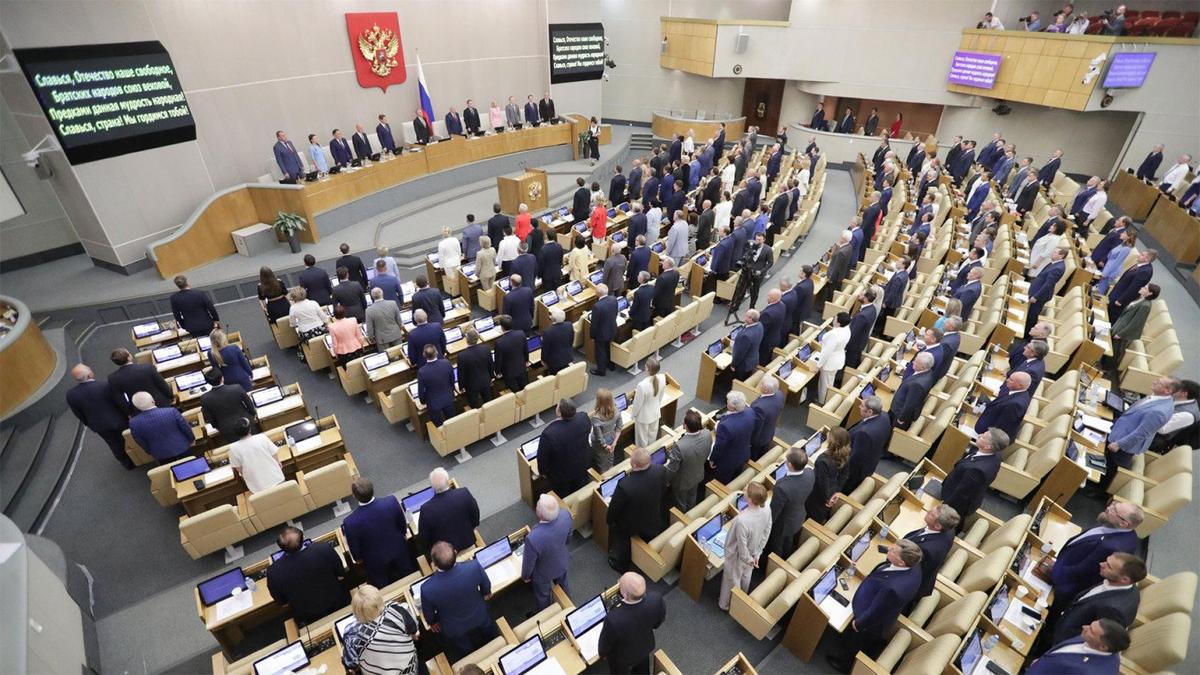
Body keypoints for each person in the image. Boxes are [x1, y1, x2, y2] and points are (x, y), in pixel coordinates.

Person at [827, 540, 924, 672]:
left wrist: (859, 624)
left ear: (901, 563)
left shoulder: (893, 588)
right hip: (876, 599)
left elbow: (877, 611)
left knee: (855, 643)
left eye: (893, 551)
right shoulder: (914, 566)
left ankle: (843, 664)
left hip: (870, 623)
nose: (889, 549)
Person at [1039, 553, 1144, 655]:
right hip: (1060, 623)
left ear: (1125, 579)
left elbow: (1095, 638)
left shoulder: (1115, 611)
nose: (1101, 564)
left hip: (1061, 642)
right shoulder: (1120, 582)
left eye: (1109, 566)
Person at [1048, 502, 1143, 600]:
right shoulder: (1124, 529)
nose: (1109, 508)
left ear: (1123, 523)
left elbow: (1082, 571)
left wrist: (1052, 571)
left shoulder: (1110, 547)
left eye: (1114, 510)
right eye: (1114, 504)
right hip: (1064, 564)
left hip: (1061, 584)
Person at [422, 541, 497, 659]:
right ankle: (493, 644)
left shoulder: (427, 588)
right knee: (488, 631)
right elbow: (486, 586)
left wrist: (432, 623)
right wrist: (486, 593)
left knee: (463, 645)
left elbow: (429, 614)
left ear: (434, 564)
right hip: (479, 614)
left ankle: (469, 654)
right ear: (456, 553)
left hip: (453, 627)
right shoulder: (474, 566)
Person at [340, 477, 418, 589]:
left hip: (376, 566)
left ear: (354, 496)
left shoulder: (350, 522)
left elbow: (356, 555)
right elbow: (403, 528)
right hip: (400, 553)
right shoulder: (391, 502)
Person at [1102, 377, 1178, 489]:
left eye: (1159, 383)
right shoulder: (1161, 397)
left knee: (1113, 467)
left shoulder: (1160, 412)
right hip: (1122, 428)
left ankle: (1100, 491)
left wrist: (1119, 444)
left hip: (1125, 443)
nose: (1154, 381)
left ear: (1167, 391)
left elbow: (1141, 433)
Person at [266, 526, 349, 625]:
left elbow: (282, 603)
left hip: (308, 617)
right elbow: (341, 575)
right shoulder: (324, 549)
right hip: (339, 602)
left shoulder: (273, 572)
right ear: (303, 538)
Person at [607, 448, 668, 572]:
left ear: (634, 464)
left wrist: (610, 521)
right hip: (653, 516)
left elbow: (614, 509)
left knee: (624, 542)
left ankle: (622, 565)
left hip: (630, 525)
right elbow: (663, 490)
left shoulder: (625, 485)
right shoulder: (660, 470)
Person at [340, 584, 419, 675]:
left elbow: (351, 663)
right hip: (411, 670)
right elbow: (414, 628)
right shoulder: (395, 608)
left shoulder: (352, 632)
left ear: (356, 610)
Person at [598, 572, 667, 674]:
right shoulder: (656, 599)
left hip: (623, 659)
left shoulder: (614, 619)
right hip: (645, 646)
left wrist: (602, 654)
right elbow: (658, 623)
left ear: (625, 595)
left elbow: (605, 646)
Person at [718, 481, 772, 611]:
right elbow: (767, 530)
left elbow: (741, 548)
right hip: (754, 552)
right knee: (746, 576)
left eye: (746, 491)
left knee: (731, 579)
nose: (744, 490)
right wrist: (757, 554)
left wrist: (748, 559)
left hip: (738, 555)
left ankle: (725, 605)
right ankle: (742, 596)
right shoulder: (766, 509)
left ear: (751, 500)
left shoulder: (742, 520)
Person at [66, 364, 132, 468]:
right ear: (89, 375)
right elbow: (119, 402)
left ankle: (127, 463)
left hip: (99, 425)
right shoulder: (105, 385)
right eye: (89, 369)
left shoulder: (71, 395)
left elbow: (78, 413)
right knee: (130, 438)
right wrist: (128, 414)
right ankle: (138, 457)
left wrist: (90, 424)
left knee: (114, 444)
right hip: (120, 420)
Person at [941, 427, 1007, 526]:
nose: (979, 435)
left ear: (988, 446)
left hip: (955, 503)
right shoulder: (993, 454)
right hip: (956, 486)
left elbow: (961, 494)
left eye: (983, 437)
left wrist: (944, 507)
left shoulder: (977, 471)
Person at [523, 494, 573, 608]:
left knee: (543, 596)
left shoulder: (533, 538)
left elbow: (528, 564)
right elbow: (569, 538)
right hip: (561, 561)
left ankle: (548, 613)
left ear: (539, 514)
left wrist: (526, 577)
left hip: (542, 574)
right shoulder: (565, 515)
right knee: (563, 586)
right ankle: (569, 607)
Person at [1027, 619, 1129, 675]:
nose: (1084, 627)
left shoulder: (1087, 672)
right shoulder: (1093, 640)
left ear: (1103, 647)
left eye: (1091, 631)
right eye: (1090, 625)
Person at [902, 505, 960, 603]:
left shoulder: (927, 549)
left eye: (931, 514)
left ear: (937, 526)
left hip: (907, 587)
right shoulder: (949, 530)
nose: (928, 511)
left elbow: (907, 569)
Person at [765, 447, 815, 558]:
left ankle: (773, 566)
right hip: (798, 516)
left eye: (786, 460)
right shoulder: (810, 473)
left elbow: (773, 513)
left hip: (783, 524)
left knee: (776, 547)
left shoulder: (782, 487)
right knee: (788, 542)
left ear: (791, 465)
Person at [538, 398, 593, 496]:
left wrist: (542, 472)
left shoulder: (549, 434)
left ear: (559, 412)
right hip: (582, 463)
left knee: (563, 496)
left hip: (561, 475)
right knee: (578, 492)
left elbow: (542, 458)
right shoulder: (584, 417)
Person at [418, 468, 481, 553]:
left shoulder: (426, 510)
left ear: (432, 488)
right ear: (448, 482)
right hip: (469, 545)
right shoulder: (464, 494)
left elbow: (424, 539)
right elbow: (475, 518)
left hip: (444, 556)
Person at [128, 392, 195, 465]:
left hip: (160, 453)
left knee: (173, 472)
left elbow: (140, 441)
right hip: (183, 446)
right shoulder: (171, 411)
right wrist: (192, 439)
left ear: (137, 407)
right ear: (153, 401)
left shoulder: (133, 423)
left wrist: (150, 451)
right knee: (192, 466)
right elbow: (185, 427)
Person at [664, 409, 712, 510]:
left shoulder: (680, 446)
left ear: (685, 426)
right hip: (698, 474)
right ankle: (692, 510)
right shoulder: (707, 433)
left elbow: (672, 469)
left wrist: (666, 480)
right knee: (692, 496)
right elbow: (707, 451)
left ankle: (683, 516)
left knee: (680, 501)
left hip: (682, 481)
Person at [844, 396, 892, 494]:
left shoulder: (864, 433)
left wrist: (844, 473)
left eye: (862, 406)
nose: (859, 407)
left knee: (846, 487)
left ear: (870, 412)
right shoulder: (884, 416)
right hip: (872, 459)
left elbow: (855, 459)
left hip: (858, 470)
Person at [223, 417, 284, 493]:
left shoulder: (233, 448)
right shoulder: (262, 437)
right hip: (277, 479)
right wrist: (278, 464)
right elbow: (275, 456)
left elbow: (240, 470)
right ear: (249, 429)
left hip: (257, 487)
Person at [198, 368, 257, 444]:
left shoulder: (205, 398)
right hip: (246, 422)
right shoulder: (236, 388)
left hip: (227, 429)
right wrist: (252, 415)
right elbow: (249, 405)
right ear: (222, 378)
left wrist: (219, 427)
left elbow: (210, 418)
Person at [107, 348, 172, 414]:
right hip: (161, 404)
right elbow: (162, 385)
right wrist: (171, 396)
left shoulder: (113, 378)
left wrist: (130, 412)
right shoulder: (147, 367)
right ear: (129, 357)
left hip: (138, 409)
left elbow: (120, 400)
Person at [710, 391, 755, 484]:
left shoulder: (725, 426)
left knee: (721, 482)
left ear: (732, 407)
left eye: (728, 401)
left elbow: (719, 447)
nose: (726, 402)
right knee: (736, 478)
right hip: (743, 454)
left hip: (727, 462)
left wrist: (713, 459)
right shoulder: (750, 412)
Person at [806, 428, 849, 523]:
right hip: (833, 490)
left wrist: (827, 498)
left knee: (810, 516)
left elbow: (822, 483)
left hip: (817, 497)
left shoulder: (823, 460)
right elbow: (844, 476)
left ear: (831, 439)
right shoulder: (845, 454)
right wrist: (837, 492)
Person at [973, 372, 1031, 440]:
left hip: (984, 436)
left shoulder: (1015, 404)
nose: (1007, 380)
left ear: (1019, 386)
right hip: (984, 423)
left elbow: (1001, 427)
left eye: (1011, 380)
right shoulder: (1017, 392)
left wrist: (984, 439)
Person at [1026, 246, 1067, 336]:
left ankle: (1028, 335)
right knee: (1030, 314)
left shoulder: (1058, 268)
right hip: (1037, 290)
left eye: (1055, 252)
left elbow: (1048, 285)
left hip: (1040, 295)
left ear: (1061, 256)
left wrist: (1036, 296)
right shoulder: (1054, 263)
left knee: (1032, 316)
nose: (1053, 253)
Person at [1107, 249, 1156, 323]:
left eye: (1142, 255)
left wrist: (1121, 300)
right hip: (1117, 293)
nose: (1139, 255)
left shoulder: (1145, 271)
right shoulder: (1140, 264)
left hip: (1120, 299)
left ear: (1147, 259)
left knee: (1110, 318)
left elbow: (1134, 288)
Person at [890, 351, 934, 429]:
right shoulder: (928, 373)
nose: (913, 362)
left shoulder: (917, 385)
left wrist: (900, 419)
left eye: (916, 362)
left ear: (923, 367)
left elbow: (909, 405)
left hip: (898, 414)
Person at [630, 358, 666, 448]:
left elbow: (637, 404)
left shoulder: (642, 385)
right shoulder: (662, 377)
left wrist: (633, 415)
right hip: (655, 412)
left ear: (647, 368)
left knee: (642, 441)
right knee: (652, 437)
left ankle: (643, 458)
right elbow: (660, 397)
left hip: (643, 417)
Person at [417, 345, 456, 426]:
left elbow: (421, 390)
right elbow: (452, 380)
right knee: (452, 422)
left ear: (424, 355)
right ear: (437, 352)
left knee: (438, 425)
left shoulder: (422, 371)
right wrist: (451, 391)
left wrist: (423, 401)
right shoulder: (446, 363)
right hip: (448, 397)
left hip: (433, 403)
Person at [817, 312, 851, 404]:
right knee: (829, 381)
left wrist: (818, 365)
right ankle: (825, 399)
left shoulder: (834, 334)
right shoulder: (846, 328)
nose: (833, 319)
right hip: (838, 358)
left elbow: (826, 352)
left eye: (835, 318)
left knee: (824, 384)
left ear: (838, 323)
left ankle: (822, 402)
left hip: (830, 361)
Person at [493, 315, 529, 392]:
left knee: (514, 392)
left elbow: (498, 359)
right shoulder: (521, 333)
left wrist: (498, 372)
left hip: (508, 372)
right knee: (525, 389)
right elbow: (525, 350)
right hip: (521, 367)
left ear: (502, 327)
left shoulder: (499, 342)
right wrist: (526, 361)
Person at [844, 289, 878, 369]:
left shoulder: (862, 316)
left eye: (861, 294)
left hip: (854, 344)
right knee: (856, 360)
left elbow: (853, 333)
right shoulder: (873, 308)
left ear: (866, 299)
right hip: (861, 341)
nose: (859, 294)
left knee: (849, 365)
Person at [589, 389, 621, 472]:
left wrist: (606, 447)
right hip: (612, 438)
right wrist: (614, 443)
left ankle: (605, 479)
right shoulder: (616, 410)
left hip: (601, 445)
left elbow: (599, 438)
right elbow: (619, 427)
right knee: (610, 460)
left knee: (602, 462)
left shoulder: (596, 418)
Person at [590, 284, 618, 376]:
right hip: (612, 329)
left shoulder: (597, 306)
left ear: (597, 293)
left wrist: (592, 335)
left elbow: (594, 324)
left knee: (600, 351)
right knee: (608, 348)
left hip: (601, 333)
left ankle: (601, 370)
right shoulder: (613, 299)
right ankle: (610, 365)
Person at [731, 308, 763, 382]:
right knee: (746, 378)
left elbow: (740, 353)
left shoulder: (746, 336)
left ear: (750, 318)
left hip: (743, 364)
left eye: (746, 316)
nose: (744, 317)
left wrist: (733, 364)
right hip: (753, 359)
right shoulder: (760, 325)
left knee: (738, 381)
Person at [541, 309, 575, 375]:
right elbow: (571, 340)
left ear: (553, 319)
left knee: (555, 377)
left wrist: (543, 360)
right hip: (568, 356)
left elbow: (545, 349)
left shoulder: (548, 332)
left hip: (554, 362)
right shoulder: (569, 325)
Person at [825, 231, 854, 302]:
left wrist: (830, 279)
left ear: (844, 239)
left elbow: (836, 267)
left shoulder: (841, 252)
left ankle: (826, 306)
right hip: (841, 274)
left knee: (831, 293)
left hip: (835, 277)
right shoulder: (849, 246)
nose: (839, 237)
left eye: (841, 236)